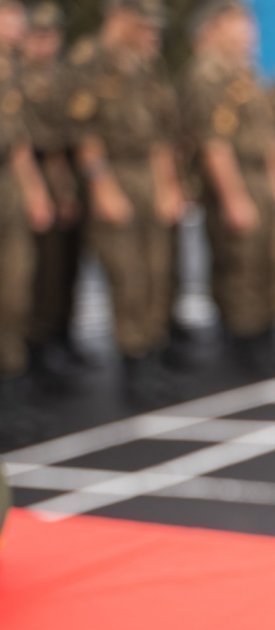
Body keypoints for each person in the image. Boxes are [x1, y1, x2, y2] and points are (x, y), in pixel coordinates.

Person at [66, 0, 186, 403]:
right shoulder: (90, 62)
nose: (148, 33)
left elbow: (160, 134)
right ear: (118, 17)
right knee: (126, 271)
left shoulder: (145, 65)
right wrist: (102, 187)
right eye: (141, 24)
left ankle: (151, 351)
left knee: (156, 267)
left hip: (147, 172)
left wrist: (168, 185)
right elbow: (85, 134)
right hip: (113, 171)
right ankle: (133, 360)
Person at [185, 0, 275, 373]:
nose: (248, 32)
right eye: (239, 23)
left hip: (261, 177)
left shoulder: (246, 73)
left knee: (274, 259)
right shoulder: (208, 76)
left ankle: (267, 333)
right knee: (241, 265)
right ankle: (242, 342)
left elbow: (269, 136)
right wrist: (233, 197)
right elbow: (214, 144)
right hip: (237, 177)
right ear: (216, 27)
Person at [19, 3, 86, 388]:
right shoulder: (16, 77)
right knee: (37, 269)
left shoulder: (64, 76)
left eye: (52, 36)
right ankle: (35, 345)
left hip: (66, 169)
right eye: (39, 35)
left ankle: (61, 334)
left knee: (66, 263)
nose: (46, 44)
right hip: (35, 167)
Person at [1, 9, 54, 445]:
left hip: (7, 190)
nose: (19, 24)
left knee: (14, 294)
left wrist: (35, 191)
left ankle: (10, 386)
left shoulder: (10, 70)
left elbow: (17, 141)